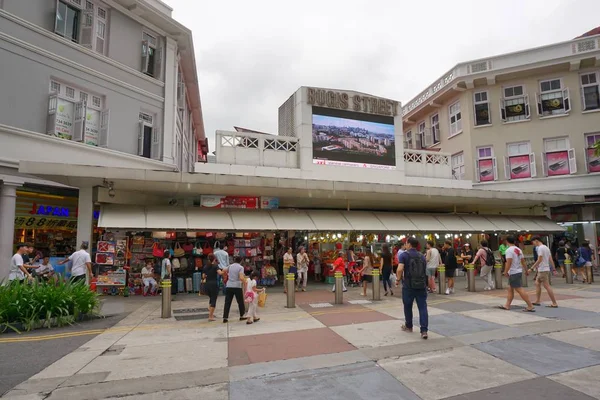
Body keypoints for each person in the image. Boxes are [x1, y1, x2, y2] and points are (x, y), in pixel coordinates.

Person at [397, 237, 429, 339]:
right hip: (421, 285)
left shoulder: (404, 255)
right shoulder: (422, 256)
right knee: (423, 307)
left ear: (409, 244)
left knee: (407, 306)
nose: (405, 245)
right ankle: (424, 331)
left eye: (406, 244)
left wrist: (398, 279)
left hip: (408, 285)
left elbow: (400, 269)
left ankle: (409, 326)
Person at [499, 236, 535, 312]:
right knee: (510, 289)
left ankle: (530, 305)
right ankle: (507, 305)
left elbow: (509, 262)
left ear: (507, 241)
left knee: (519, 289)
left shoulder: (509, 250)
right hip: (518, 270)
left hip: (513, 272)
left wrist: (505, 271)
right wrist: (526, 270)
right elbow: (523, 261)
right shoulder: (518, 249)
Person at [528, 237, 558, 308]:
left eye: (533, 243)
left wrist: (532, 268)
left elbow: (539, 259)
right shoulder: (546, 248)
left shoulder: (540, 248)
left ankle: (554, 302)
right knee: (537, 283)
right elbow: (550, 258)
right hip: (544, 268)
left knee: (546, 286)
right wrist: (553, 267)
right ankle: (537, 300)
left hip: (543, 269)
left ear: (536, 241)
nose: (533, 244)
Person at [222, 256, 247, 323]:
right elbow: (241, 277)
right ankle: (242, 316)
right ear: (241, 261)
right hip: (237, 286)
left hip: (229, 285)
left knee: (227, 302)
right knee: (240, 302)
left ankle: (225, 317)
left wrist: (225, 276)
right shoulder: (240, 267)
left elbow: (223, 270)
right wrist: (245, 283)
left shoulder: (230, 266)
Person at [203, 254, 221, 322]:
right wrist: (224, 271)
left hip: (207, 284)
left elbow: (204, 276)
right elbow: (220, 273)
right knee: (213, 300)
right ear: (214, 259)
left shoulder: (205, 266)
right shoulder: (215, 266)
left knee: (211, 299)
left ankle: (211, 314)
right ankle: (210, 316)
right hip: (214, 284)